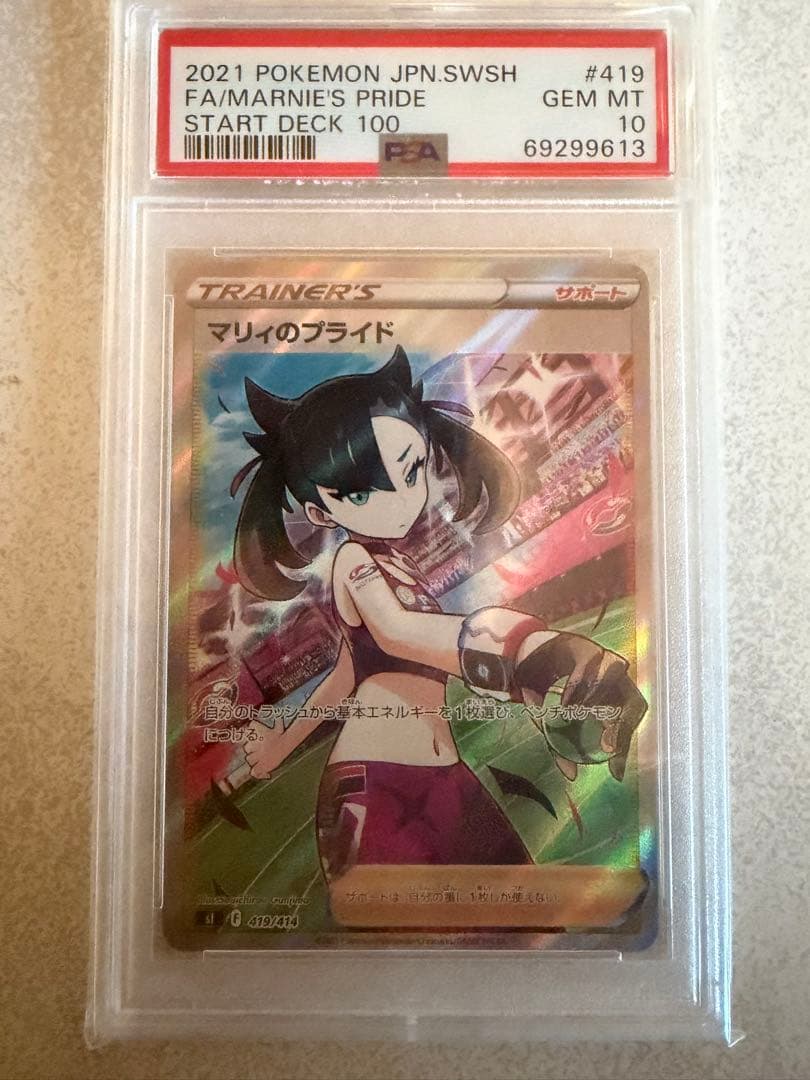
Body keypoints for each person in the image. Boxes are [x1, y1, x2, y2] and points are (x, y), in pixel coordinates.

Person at [232, 346, 645, 881]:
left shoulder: (395, 565)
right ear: (319, 511)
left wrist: (279, 745)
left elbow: (346, 675)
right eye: (361, 493)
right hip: (379, 785)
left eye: (412, 470)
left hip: (446, 777)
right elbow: (397, 632)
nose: (401, 499)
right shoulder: (353, 561)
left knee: (525, 914)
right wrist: (528, 653)